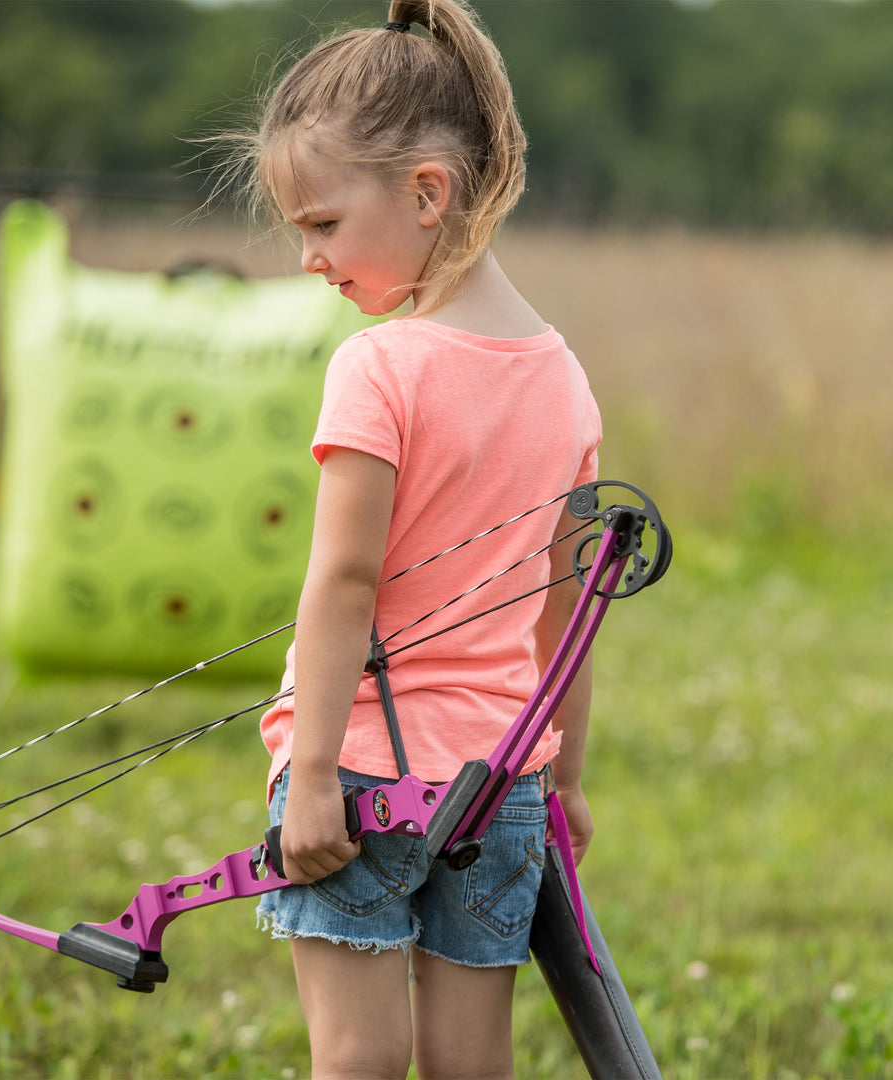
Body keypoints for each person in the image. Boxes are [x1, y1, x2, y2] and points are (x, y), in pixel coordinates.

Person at [240, 2, 603, 1076]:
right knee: (469, 1064)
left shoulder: (379, 365)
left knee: (355, 1061)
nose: (308, 257)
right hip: (503, 788)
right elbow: (570, 609)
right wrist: (566, 779)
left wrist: (310, 779)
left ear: (428, 194)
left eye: (321, 224)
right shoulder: (564, 377)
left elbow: (346, 582)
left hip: (358, 776)